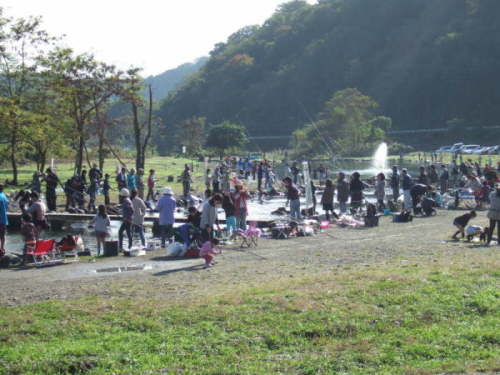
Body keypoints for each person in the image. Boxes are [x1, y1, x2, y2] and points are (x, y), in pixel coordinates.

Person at [0, 185, 8, 255]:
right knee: (2, 235)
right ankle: (2, 248)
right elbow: (6, 206)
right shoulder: (4, 196)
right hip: (4, 219)